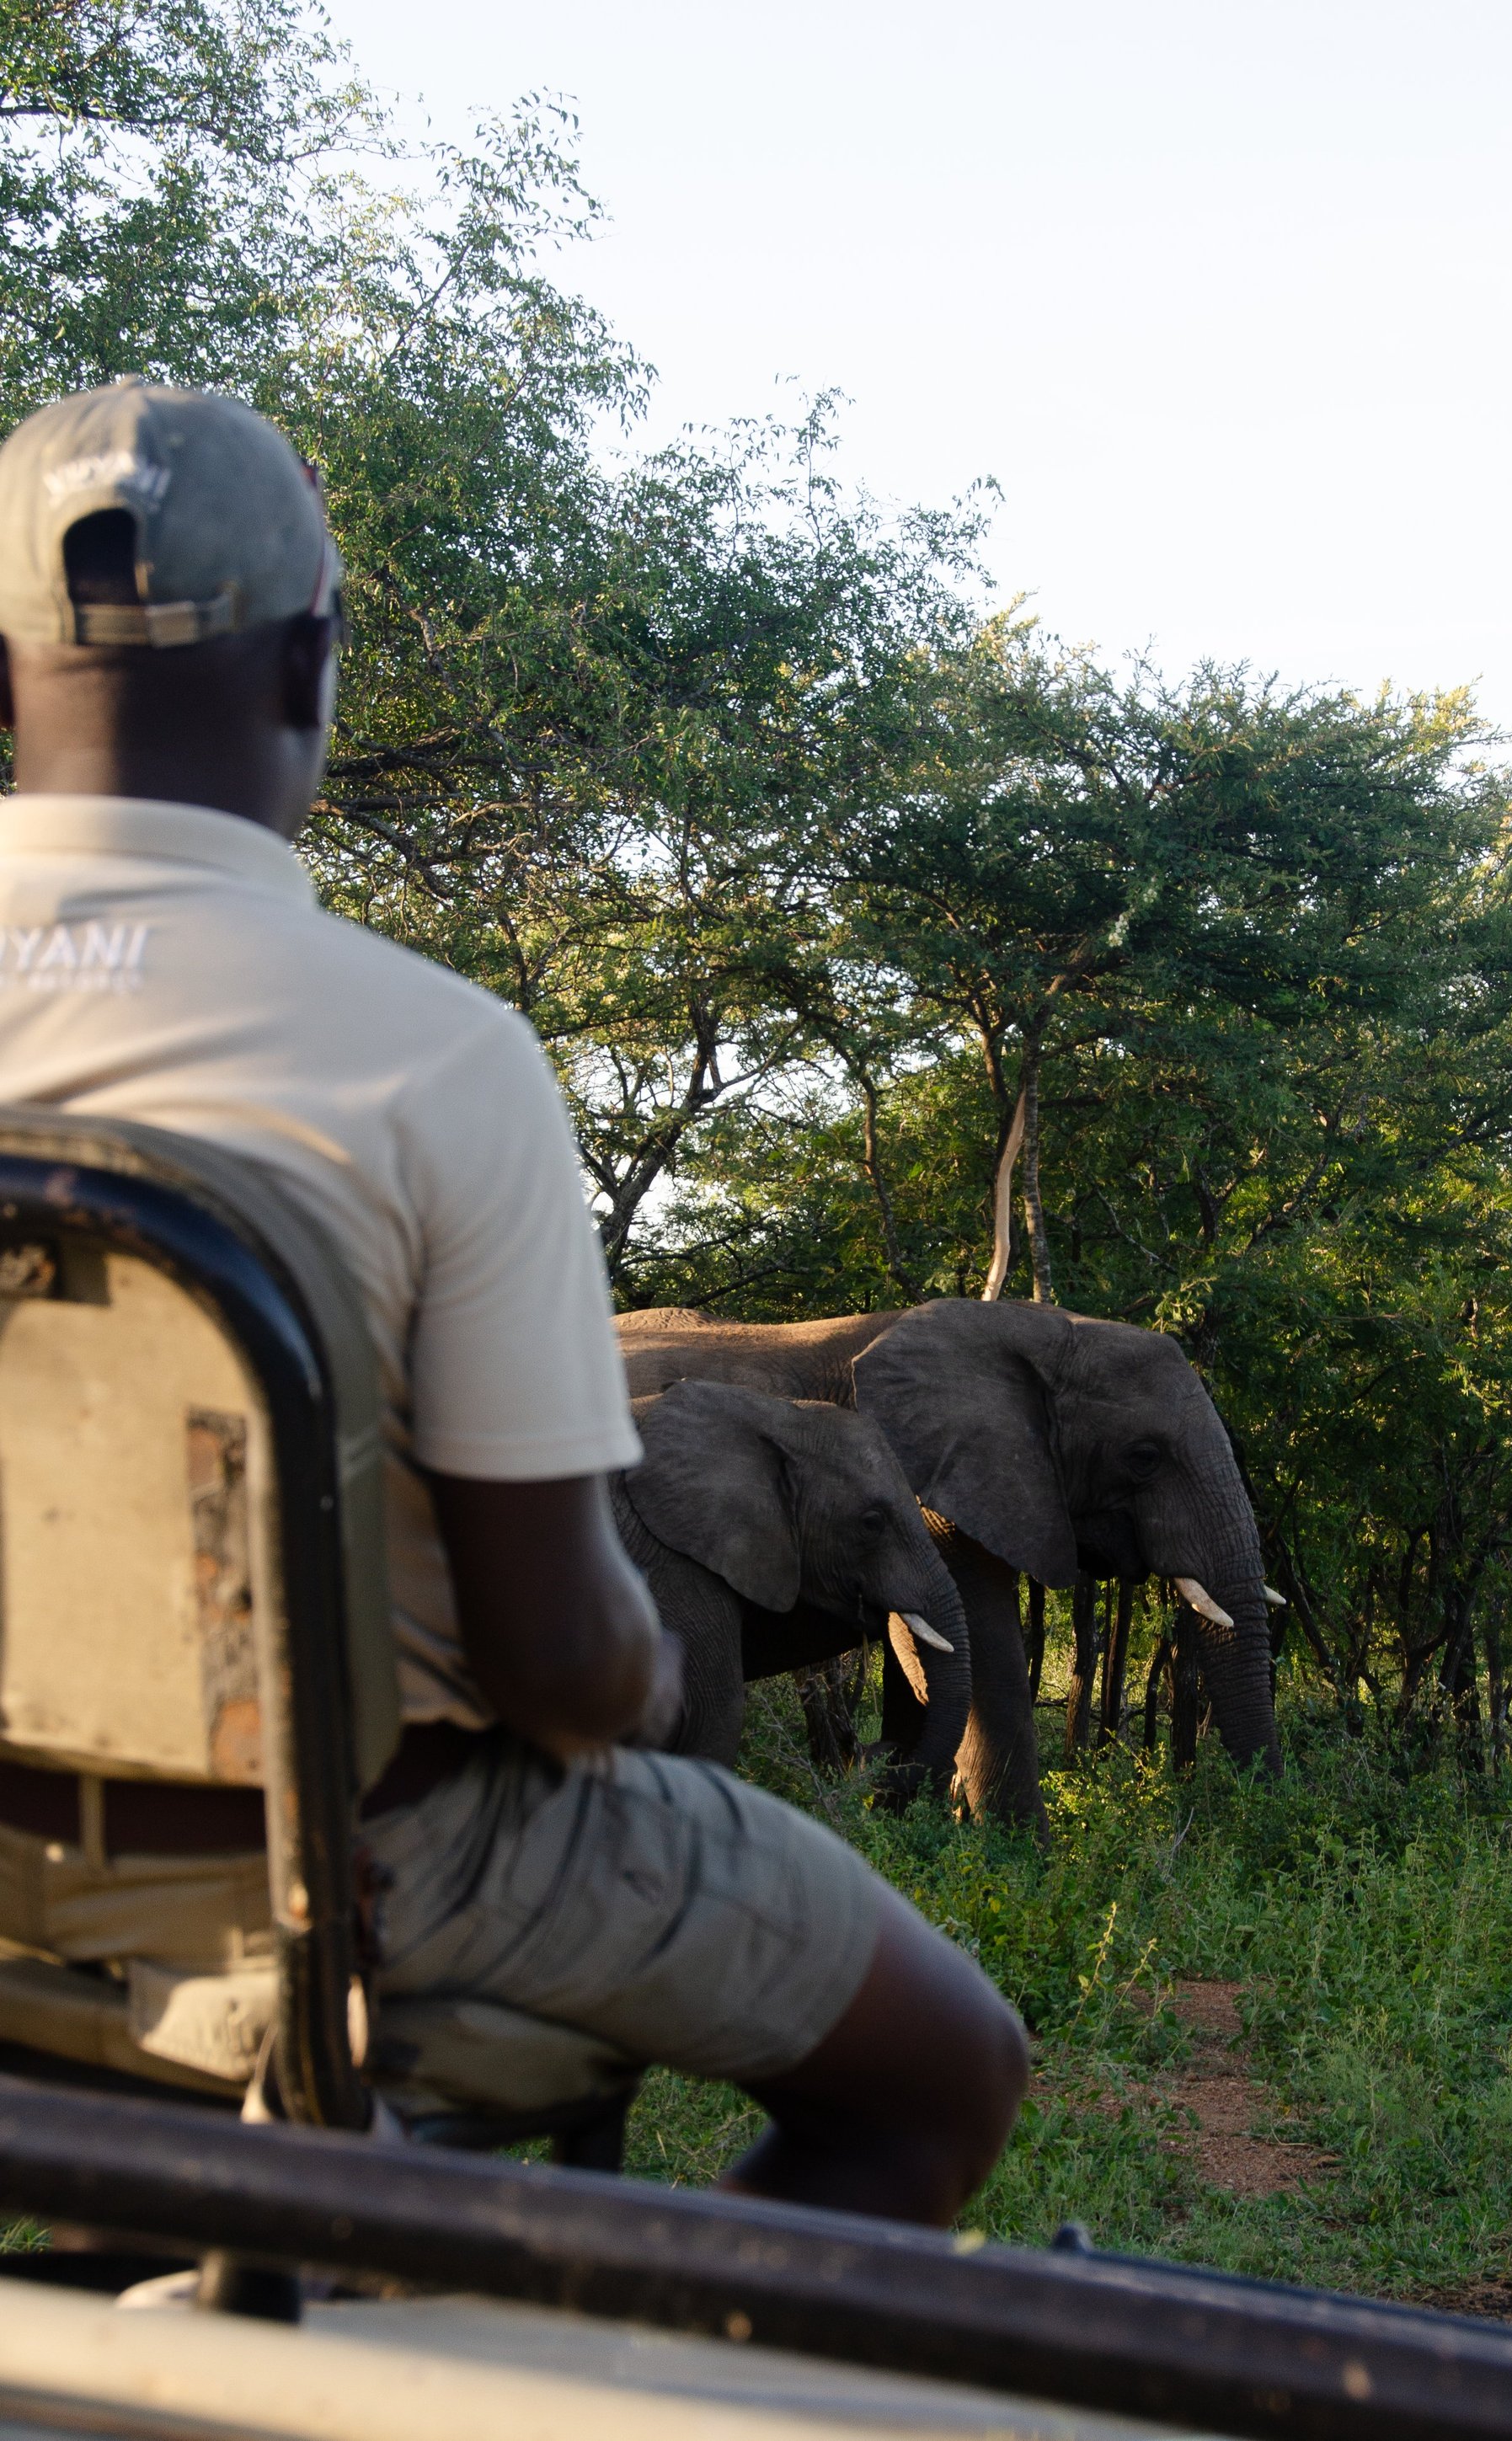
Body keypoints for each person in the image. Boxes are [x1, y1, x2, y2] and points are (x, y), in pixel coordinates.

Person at [0, 382, 1027, 2223]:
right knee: (946, 2071)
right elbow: (560, 1668)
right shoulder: (434, 1060)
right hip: (367, 1870)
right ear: (314, 661)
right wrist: (639, 1657)